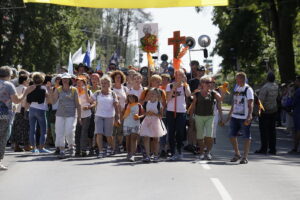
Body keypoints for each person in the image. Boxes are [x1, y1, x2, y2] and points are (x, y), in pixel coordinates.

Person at [0, 66, 34, 170]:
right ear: (9, 75)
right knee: (3, 137)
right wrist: (26, 92)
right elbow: (17, 100)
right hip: (5, 114)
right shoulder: (8, 85)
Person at [189, 76, 223, 160]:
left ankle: (208, 152)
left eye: (210, 82)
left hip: (209, 117)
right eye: (207, 82)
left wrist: (223, 91)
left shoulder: (213, 93)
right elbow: (193, 106)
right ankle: (201, 152)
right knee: (200, 136)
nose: (209, 84)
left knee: (209, 136)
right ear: (202, 84)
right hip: (198, 116)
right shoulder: (197, 94)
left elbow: (220, 99)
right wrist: (190, 117)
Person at [225, 72, 254, 164]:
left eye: (237, 79)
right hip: (235, 116)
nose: (236, 80)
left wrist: (249, 115)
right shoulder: (237, 88)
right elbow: (234, 102)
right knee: (231, 135)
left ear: (242, 79)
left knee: (246, 137)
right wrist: (229, 115)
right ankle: (237, 154)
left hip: (244, 117)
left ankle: (245, 157)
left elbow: (251, 103)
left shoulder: (248, 89)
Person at [51, 73, 81, 158]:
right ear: (61, 80)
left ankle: (71, 147)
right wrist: (50, 92)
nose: (65, 80)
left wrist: (79, 117)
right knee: (59, 132)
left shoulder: (74, 90)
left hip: (71, 114)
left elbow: (78, 104)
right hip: (60, 114)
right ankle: (62, 150)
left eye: (67, 79)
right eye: (63, 79)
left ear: (70, 80)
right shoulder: (58, 89)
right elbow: (53, 101)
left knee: (69, 131)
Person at [90, 75, 120, 158]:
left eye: (106, 83)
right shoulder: (97, 93)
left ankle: (110, 147)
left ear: (109, 84)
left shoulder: (113, 94)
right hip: (99, 115)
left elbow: (116, 106)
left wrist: (118, 117)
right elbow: (89, 100)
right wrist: (85, 91)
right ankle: (101, 151)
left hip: (109, 116)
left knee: (108, 135)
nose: (104, 84)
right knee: (99, 133)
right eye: (102, 83)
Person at [166, 69, 191, 161]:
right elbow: (167, 99)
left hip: (181, 111)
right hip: (171, 111)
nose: (180, 77)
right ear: (175, 76)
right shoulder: (170, 85)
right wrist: (173, 89)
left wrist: (186, 84)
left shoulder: (185, 86)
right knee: (171, 132)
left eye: (182, 75)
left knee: (180, 131)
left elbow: (188, 95)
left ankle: (179, 150)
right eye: (178, 75)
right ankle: (172, 152)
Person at [27, 72, 52, 154]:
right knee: (43, 130)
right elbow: (49, 101)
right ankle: (41, 147)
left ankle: (33, 148)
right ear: (42, 79)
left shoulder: (30, 87)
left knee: (32, 130)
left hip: (31, 109)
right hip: (41, 110)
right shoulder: (44, 88)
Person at [140, 88, 167, 162]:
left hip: (156, 122)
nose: (151, 95)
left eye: (153, 94)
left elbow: (161, 115)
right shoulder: (146, 103)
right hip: (147, 122)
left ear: (157, 95)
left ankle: (156, 155)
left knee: (156, 139)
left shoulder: (159, 104)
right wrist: (147, 113)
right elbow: (143, 113)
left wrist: (154, 114)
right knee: (146, 138)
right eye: (150, 93)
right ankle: (148, 155)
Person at [255, 72, 278, 155]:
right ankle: (273, 148)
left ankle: (264, 148)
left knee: (264, 130)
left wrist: (258, 112)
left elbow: (260, 101)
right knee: (272, 130)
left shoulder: (265, 87)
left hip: (265, 112)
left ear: (267, 78)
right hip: (274, 110)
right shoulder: (276, 86)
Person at [11, 74, 31, 152]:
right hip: (24, 110)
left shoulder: (15, 88)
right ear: (24, 81)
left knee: (17, 128)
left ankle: (17, 145)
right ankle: (26, 145)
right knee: (26, 128)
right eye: (28, 80)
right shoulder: (26, 89)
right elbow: (25, 101)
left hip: (16, 111)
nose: (29, 81)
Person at [110, 70, 128, 153]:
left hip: (123, 113)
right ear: (113, 78)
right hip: (112, 112)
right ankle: (113, 148)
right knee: (113, 131)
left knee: (120, 131)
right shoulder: (110, 88)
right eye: (116, 77)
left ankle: (119, 145)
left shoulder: (125, 88)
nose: (118, 79)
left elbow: (128, 101)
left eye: (119, 77)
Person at [75, 76, 93, 156]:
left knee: (84, 132)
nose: (79, 84)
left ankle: (83, 150)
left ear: (84, 83)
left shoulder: (88, 91)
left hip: (86, 114)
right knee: (77, 132)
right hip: (76, 114)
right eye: (77, 82)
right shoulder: (74, 91)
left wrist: (88, 107)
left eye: (81, 82)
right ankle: (77, 150)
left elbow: (92, 102)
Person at [122, 94, 142, 162]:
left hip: (135, 124)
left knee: (134, 139)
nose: (130, 98)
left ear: (135, 98)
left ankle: (133, 155)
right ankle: (128, 153)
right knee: (128, 139)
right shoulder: (126, 105)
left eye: (132, 97)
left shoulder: (139, 105)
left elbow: (143, 114)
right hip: (127, 124)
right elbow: (122, 113)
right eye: (129, 97)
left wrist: (138, 117)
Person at [290, 76, 300, 153]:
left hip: (298, 112)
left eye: (296, 81)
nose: (295, 82)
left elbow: (294, 102)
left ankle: (295, 147)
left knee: (297, 130)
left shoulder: (298, 91)